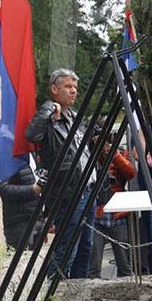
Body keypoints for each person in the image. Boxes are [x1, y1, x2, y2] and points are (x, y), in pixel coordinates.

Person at [25, 68, 96, 278]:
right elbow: (32, 134)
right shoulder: (48, 117)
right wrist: (48, 109)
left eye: (75, 87)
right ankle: (52, 294)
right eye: (68, 86)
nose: (73, 91)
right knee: (67, 248)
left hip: (88, 189)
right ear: (54, 89)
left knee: (86, 246)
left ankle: (79, 291)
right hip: (69, 192)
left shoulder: (75, 116)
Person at [89, 141, 136, 278]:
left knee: (125, 264)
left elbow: (131, 173)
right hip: (97, 217)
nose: (103, 143)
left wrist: (113, 153)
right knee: (93, 266)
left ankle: (127, 294)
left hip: (117, 216)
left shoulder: (118, 153)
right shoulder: (88, 154)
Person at [0, 163, 43, 248]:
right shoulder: (6, 155)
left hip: (37, 219)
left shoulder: (29, 153)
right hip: (20, 225)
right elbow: (1, 189)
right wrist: (32, 190)